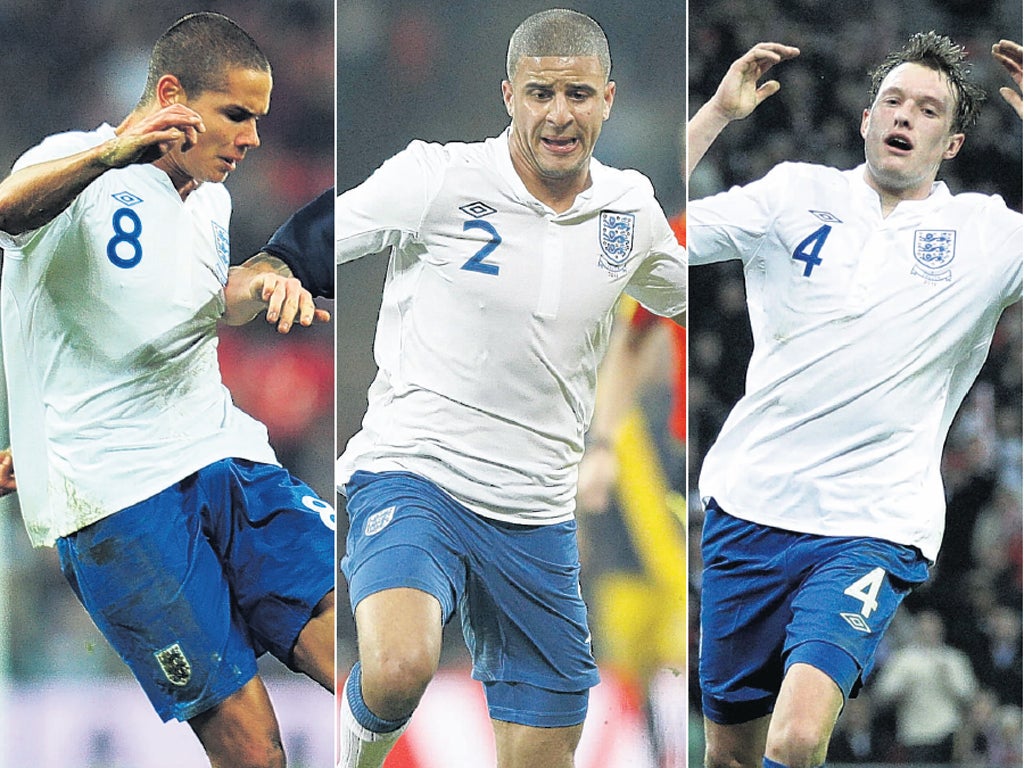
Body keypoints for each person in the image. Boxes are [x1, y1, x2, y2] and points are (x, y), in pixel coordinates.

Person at [334, 8, 685, 768]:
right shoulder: (439, 177)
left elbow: (698, 300)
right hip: (417, 470)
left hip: (536, 512)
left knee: (546, 747)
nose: (559, 113)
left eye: (578, 94)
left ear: (608, 100)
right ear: (508, 96)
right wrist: (266, 267)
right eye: (541, 92)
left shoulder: (630, 212)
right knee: (398, 666)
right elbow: (322, 236)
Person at [0, 12, 335, 767]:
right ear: (172, 96)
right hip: (119, 498)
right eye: (236, 115)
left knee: (364, 656)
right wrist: (108, 156)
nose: (251, 138)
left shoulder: (211, 201)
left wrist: (264, 286)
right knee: (255, 752)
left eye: (259, 120)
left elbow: (193, 301)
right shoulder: (75, 161)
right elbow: (6, 210)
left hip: (223, 456)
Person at [686, 32, 1023, 768]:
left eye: (928, 109)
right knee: (731, 754)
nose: (906, 115)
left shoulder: (988, 236)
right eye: (893, 101)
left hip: (870, 523)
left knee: (799, 736)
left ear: (954, 140)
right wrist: (713, 115)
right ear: (867, 119)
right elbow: (641, 231)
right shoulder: (793, 193)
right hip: (750, 507)